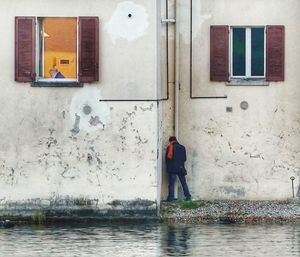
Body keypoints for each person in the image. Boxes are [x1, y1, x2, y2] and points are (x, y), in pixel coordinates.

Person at [166, 136, 191, 201]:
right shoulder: (182, 147)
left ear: (170, 141)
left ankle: (171, 198)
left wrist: (168, 166)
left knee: (171, 184)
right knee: (183, 183)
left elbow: (167, 159)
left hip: (172, 169)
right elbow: (184, 159)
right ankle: (188, 196)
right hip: (180, 168)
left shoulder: (169, 147)